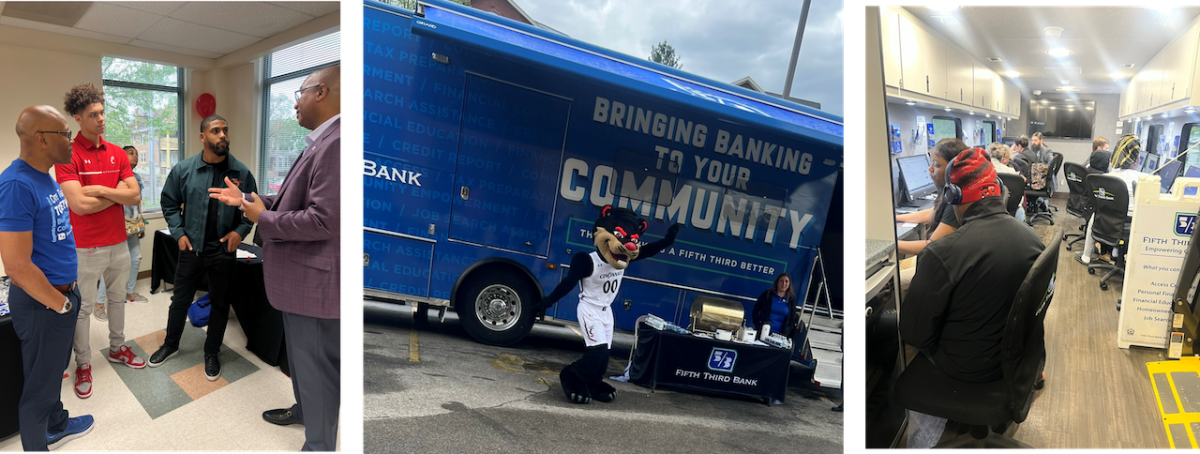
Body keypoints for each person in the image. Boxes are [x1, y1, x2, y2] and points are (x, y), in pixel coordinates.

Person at [210, 65, 342, 453]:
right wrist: (251, 202)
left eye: (298, 93)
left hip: (316, 285)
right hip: (299, 282)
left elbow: (324, 221)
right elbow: (294, 202)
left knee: (317, 369)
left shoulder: (338, 143)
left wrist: (261, 218)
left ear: (322, 92)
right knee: (302, 362)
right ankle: (306, 410)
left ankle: (318, 445)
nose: (295, 104)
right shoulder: (320, 141)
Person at [900, 147, 1044, 452]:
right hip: (1017, 363)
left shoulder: (942, 253)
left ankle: (919, 444)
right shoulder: (1031, 238)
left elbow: (914, 334)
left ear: (952, 196)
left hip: (966, 372)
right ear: (1000, 191)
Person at [1, 105, 94, 452]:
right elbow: (16, 265)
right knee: (38, 391)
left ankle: (57, 423)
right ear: (41, 139)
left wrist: (69, 297)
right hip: (45, 303)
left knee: (52, 373)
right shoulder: (15, 185)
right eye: (65, 134)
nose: (72, 141)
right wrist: (61, 304)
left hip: (62, 295)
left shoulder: (45, 177)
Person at [149, 114, 257, 381]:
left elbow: (253, 208)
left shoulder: (240, 173)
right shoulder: (184, 170)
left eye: (226, 130)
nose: (223, 135)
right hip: (190, 251)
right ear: (202, 137)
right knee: (180, 301)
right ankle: (170, 344)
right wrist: (178, 232)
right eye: (216, 130)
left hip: (223, 253)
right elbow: (169, 203)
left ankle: (211, 352)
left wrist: (240, 231)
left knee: (220, 304)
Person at [536, 206, 680, 404]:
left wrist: (667, 241)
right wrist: (548, 301)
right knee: (598, 351)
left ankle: (594, 383)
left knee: (604, 357)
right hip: (590, 309)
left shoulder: (624, 258)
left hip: (606, 312)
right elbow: (568, 283)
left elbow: (647, 251)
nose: (627, 247)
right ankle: (571, 375)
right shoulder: (587, 261)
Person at [57, 82, 145, 400]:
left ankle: (118, 348)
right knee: (82, 310)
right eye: (93, 114)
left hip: (119, 244)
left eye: (102, 112)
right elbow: (79, 205)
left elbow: (134, 194)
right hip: (86, 248)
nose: (101, 119)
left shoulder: (117, 153)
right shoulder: (68, 155)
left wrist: (102, 190)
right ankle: (83, 363)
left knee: (117, 300)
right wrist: (117, 195)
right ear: (78, 118)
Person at [894, 138, 970, 295]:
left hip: (943, 265)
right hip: (938, 259)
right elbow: (931, 213)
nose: (929, 168)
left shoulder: (956, 202)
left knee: (889, 279)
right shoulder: (950, 191)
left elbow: (931, 245)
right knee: (894, 266)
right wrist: (896, 217)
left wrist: (890, 244)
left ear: (953, 169)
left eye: (936, 165)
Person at [1078, 135, 1143, 266]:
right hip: (1129, 223)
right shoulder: (1143, 178)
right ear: (1137, 159)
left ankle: (1086, 256)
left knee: (1095, 215)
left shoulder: (1105, 177)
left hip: (1104, 221)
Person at [121, 145, 148, 303]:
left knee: (136, 258)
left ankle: (130, 292)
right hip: (119, 225)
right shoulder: (116, 177)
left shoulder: (136, 178)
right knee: (116, 263)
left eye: (137, 154)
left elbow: (138, 202)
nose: (135, 156)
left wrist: (141, 222)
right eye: (131, 153)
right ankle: (102, 300)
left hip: (134, 223)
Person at [751, 273, 798, 338]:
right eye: (781, 281)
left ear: (789, 284)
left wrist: (787, 331)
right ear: (777, 283)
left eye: (786, 281)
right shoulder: (767, 294)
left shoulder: (791, 300)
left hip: (780, 336)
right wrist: (758, 325)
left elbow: (792, 319)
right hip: (763, 333)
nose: (784, 283)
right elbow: (756, 310)